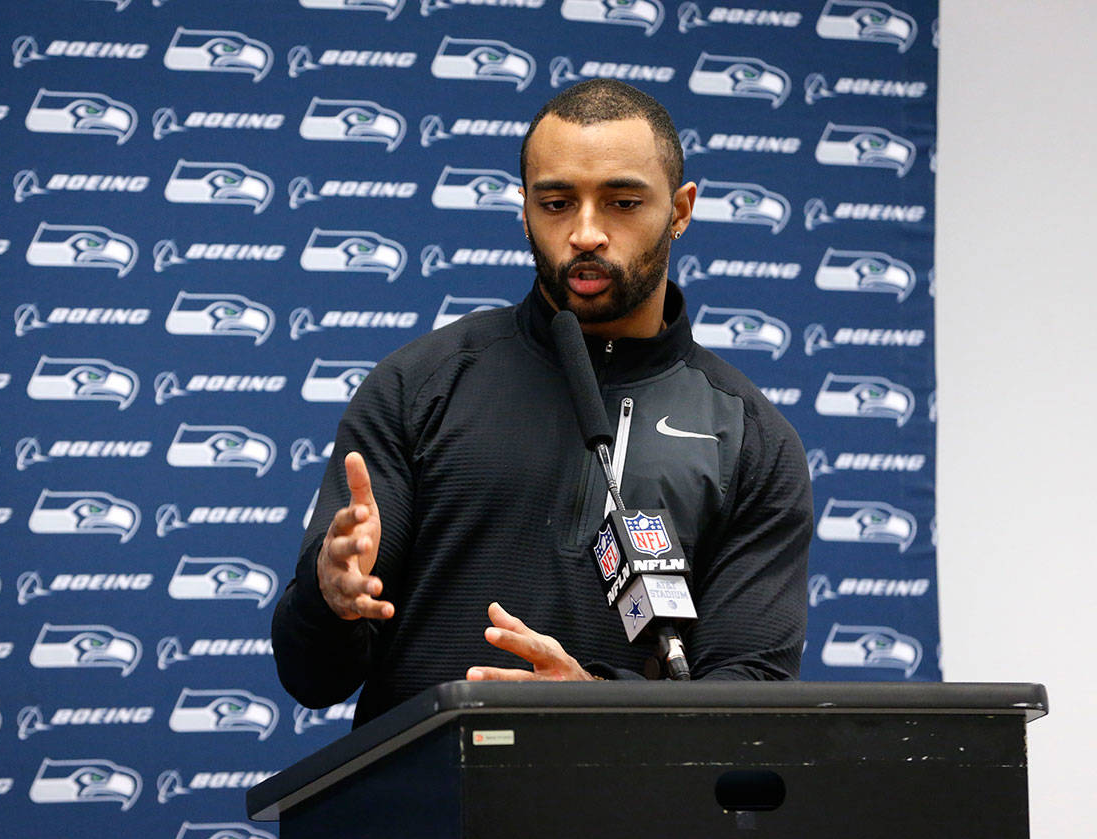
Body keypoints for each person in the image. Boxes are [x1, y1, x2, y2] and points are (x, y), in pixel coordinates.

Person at [272, 79, 813, 726]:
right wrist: (329, 601)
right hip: (421, 814)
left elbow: (751, 705)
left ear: (681, 209)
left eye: (621, 201)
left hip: (628, 819)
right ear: (524, 209)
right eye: (556, 202)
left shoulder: (752, 439)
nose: (586, 232)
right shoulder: (419, 388)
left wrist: (594, 699)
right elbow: (311, 676)